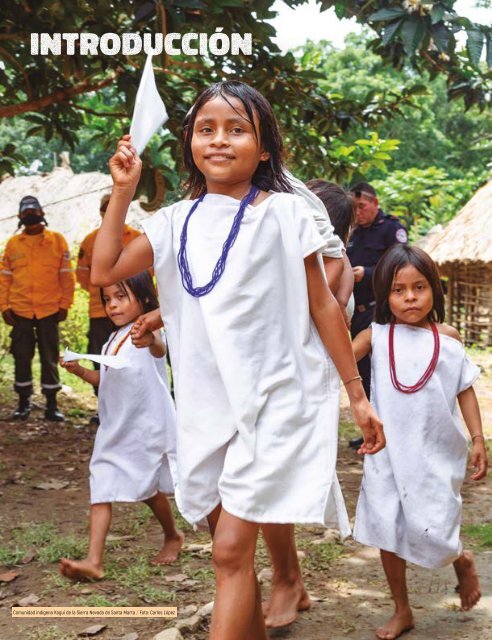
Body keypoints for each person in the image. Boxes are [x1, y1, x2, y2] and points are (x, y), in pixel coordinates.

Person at [91, 80, 385, 640]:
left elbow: (323, 305)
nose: (219, 140)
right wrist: (123, 191)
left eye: (236, 129)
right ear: (189, 143)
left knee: (227, 552)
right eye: (206, 129)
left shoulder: (287, 215)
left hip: (278, 398)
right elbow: (104, 270)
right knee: (227, 548)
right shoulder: (173, 221)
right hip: (207, 405)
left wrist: (357, 394)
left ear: (265, 147)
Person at [352, 244, 488, 640]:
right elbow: (336, 358)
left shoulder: (448, 337)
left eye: (419, 287)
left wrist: (477, 438)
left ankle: (459, 558)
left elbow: (465, 389)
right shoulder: (375, 336)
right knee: (385, 529)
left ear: (435, 291)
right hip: (386, 452)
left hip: (434, 453)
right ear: (384, 295)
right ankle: (402, 610)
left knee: (435, 527)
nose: (410, 297)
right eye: (398, 290)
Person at [59, 271, 183, 580]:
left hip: (145, 426)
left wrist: (150, 338)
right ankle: (94, 561)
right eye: (107, 300)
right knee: (101, 485)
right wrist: (79, 371)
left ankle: (173, 535)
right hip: (114, 426)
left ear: (143, 299)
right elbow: (107, 380)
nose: (112, 305)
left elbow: (158, 349)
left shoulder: (146, 332)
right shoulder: (111, 340)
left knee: (148, 488)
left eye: (120, 297)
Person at [0, 195, 75, 421]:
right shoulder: (13, 244)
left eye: (34, 212)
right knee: (22, 356)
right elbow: (4, 279)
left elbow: (67, 277)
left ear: (42, 213)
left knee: (49, 356)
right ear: (20, 217)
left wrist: (65, 304)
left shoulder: (57, 241)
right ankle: (23, 403)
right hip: (20, 310)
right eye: (26, 213)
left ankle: (52, 404)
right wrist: (4, 306)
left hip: (49, 309)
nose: (31, 216)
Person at [347, 182, 407, 448]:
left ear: (374, 203)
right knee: (361, 370)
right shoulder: (353, 232)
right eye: (354, 208)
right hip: (356, 313)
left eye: (361, 207)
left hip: (379, 310)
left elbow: (401, 265)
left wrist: (367, 273)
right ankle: (370, 424)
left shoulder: (390, 229)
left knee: (382, 368)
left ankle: (392, 425)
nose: (357, 213)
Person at [76, 194, 142, 422]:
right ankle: (104, 408)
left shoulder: (137, 238)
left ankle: (132, 407)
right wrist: (104, 296)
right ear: (101, 212)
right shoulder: (90, 241)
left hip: (134, 313)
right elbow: (82, 276)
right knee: (102, 357)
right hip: (99, 311)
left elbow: (148, 275)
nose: (110, 211)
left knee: (133, 357)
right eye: (106, 207)